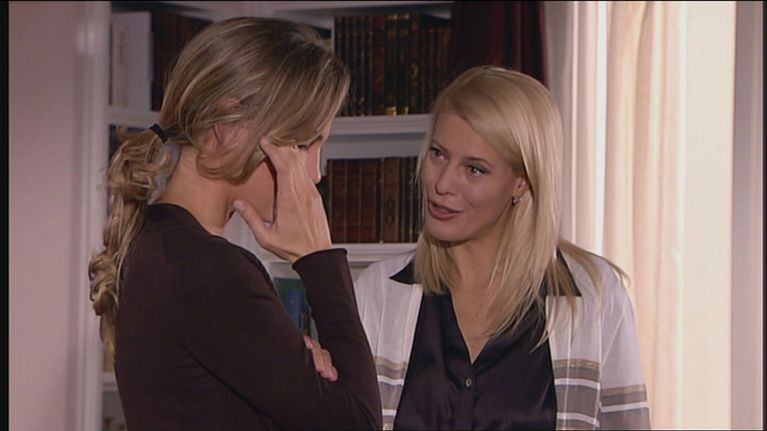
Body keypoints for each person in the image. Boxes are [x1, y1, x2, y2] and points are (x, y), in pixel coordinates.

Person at [88, 17, 382, 430]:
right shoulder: (205, 268)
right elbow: (360, 423)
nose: (315, 173)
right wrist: (319, 258)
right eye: (302, 144)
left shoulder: (159, 244)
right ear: (228, 127)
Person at [353, 66, 651, 430]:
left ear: (521, 182)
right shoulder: (378, 294)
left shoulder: (595, 298)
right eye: (438, 154)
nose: (442, 183)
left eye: (474, 169)